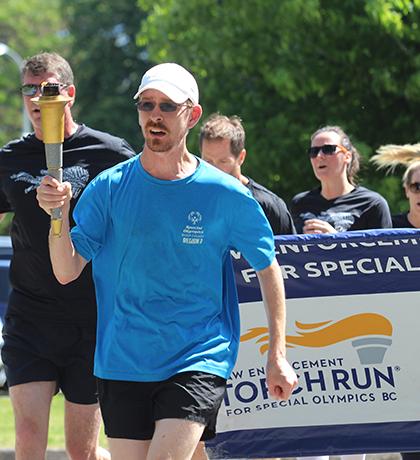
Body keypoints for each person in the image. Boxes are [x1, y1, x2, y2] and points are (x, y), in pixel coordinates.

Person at [36, 62, 298, 460]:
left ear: (191, 114)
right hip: (124, 359)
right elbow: (66, 270)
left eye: (167, 107)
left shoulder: (224, 194)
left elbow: (267, 266)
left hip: (198, 353)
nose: (154, 116)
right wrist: (58, 216)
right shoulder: (108, 188)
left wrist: (277, 352)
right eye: (146, 105)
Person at [0, 52, 135, 460]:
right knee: (27, 440)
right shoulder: (10, 159)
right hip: (30, 318)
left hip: (90, 319)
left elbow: (142, 214)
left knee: (82, 451)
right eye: (28, 89)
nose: (37, 99)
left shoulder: (108, 154)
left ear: (69, 93)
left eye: (47, 89)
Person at [199, 113, 296, 235]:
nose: (214, 169)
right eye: (207, 161)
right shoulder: (192, 200)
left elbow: (290, 252)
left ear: (241, 157)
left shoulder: (268, 206)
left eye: (223, 161)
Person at [291, 125, 392, 234]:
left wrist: (336, 239)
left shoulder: (372, 204)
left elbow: (384, 251)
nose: (319, 156)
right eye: (313, 151)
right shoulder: (299, 203)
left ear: (347, 156)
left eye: (328, 149)